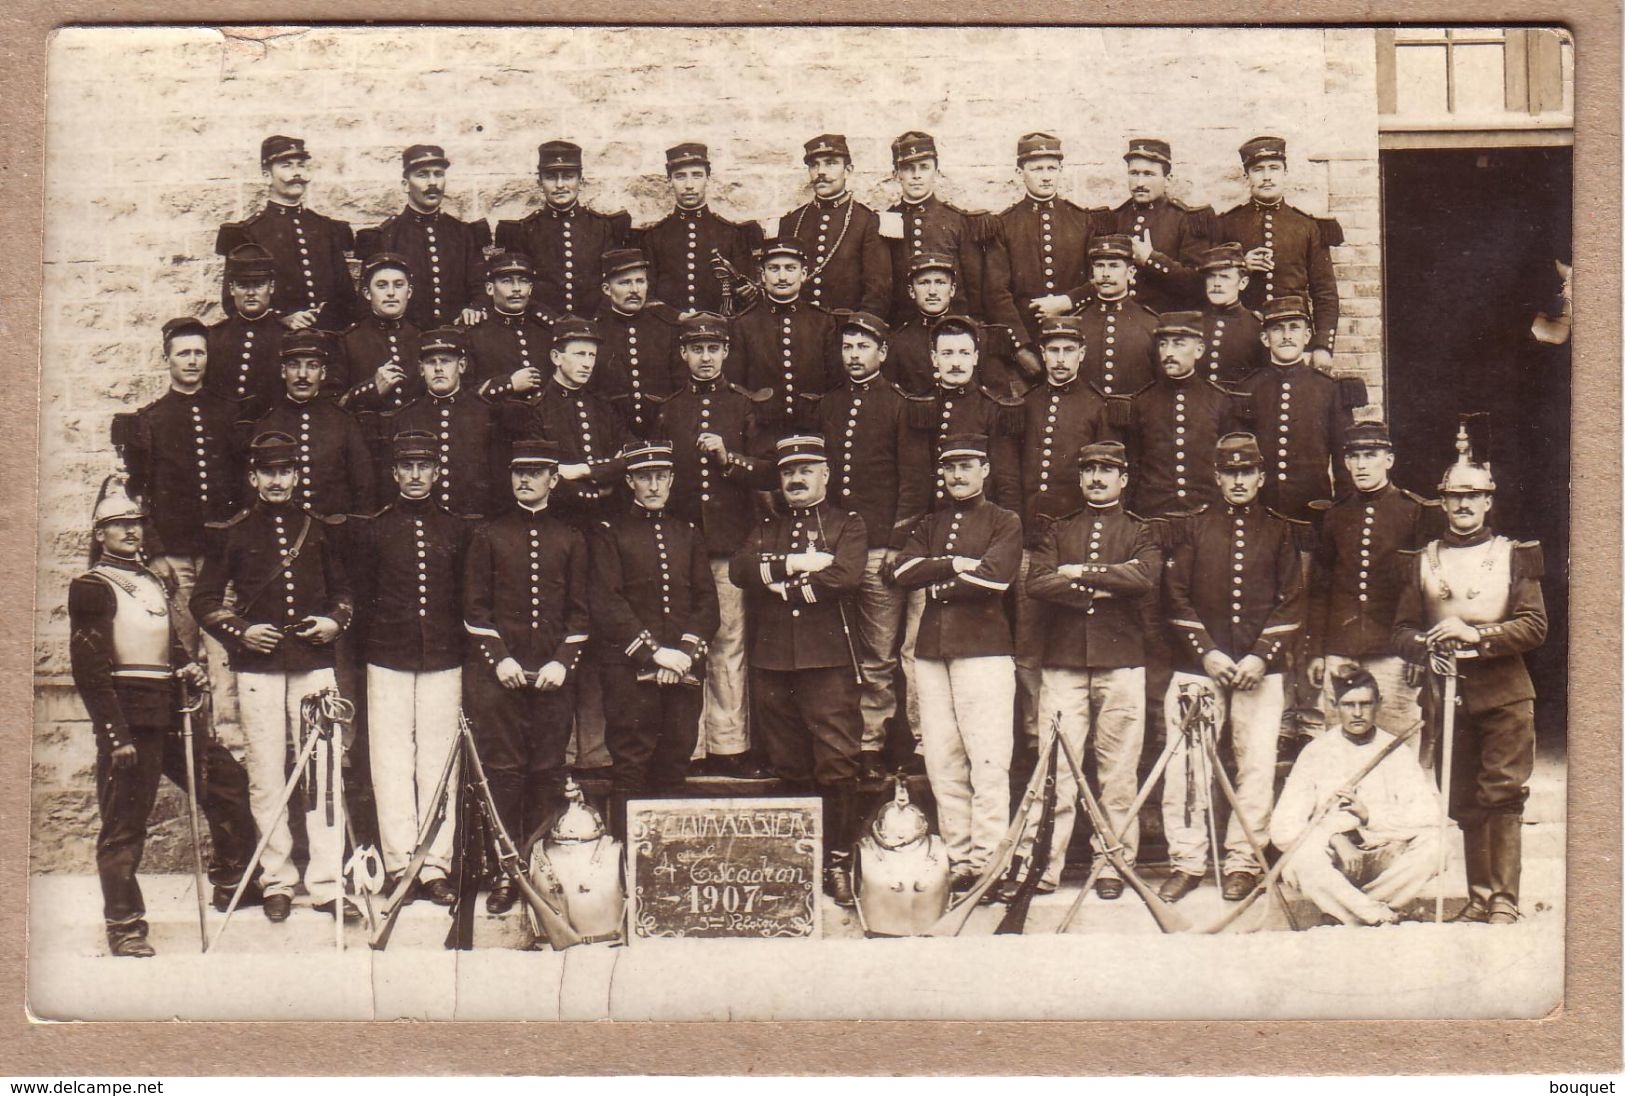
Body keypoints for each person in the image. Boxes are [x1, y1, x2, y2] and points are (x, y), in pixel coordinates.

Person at [70, 477, 256, 955]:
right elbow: (90, 669)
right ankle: (125, 925)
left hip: (173, 708)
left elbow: (167, 640)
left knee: (227, 782)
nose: (132, 532)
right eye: (119, 525)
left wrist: (187, 664)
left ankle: (231, 879)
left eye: (135, 523)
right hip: (131, 717)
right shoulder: (92, 587)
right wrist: (115, 735)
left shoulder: (150, 579)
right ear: (99, 534)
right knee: (125, 825)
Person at [191, 431, 356, 923]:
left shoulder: (317, 528)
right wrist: (241, 631)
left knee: (322, 776)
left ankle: (327, 883)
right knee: (265, 776)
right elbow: (202, 601)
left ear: (297, 475)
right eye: (268, 472)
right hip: (258, 667)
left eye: (285, 471)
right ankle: (277, 880)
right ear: (253, 477)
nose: (277, 480)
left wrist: (333, 621)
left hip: (313, 665)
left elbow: (344, 594)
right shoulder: (234, 532)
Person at [1393, 427, 1546, 924]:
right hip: (1447, 698)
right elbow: (1402, 629)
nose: (1464, 504)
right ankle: (1478, 897)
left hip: (1503, 695)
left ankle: (1504, 900)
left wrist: (1476, 635)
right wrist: (1427, 646)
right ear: (1441, 502)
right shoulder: (1423, 561)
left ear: (1488, 501)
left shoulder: (1513, 554)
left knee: (1501, 792)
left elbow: (1534, 626)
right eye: (1455, 495)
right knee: (1461, 797)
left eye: (1474, 495)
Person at [1159, 433, 1306, 903]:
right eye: (1230, 472)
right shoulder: (1192, 527)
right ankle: (1186, 861)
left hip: (1260, 670)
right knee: (1186, 766)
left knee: (1256, 765)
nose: (1239, 480)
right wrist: (1208, 652)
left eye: (1247, 472)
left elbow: (1292, 600)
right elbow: (1175, 594)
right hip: (1200, 667)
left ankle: (1244, 860)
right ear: (1217, 477)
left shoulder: (1281, 530)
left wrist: (1261, 655)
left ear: (1261, 477)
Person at [1015, 440, 1159, 899]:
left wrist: (1079, 573)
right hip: (1063, 664)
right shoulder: (1057, 531)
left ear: (1124, 478)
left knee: (1118, 772)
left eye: (1107, 470)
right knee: (1056, 767)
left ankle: (1113, 863)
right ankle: (1045, 864)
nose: (1097, 478)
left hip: (1121, 663)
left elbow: (1144, 577)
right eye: (1089, 471)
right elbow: (1037, 581)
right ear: (1079, 479)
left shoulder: (1141, 530)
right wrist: (1106, 583)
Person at [728, 435, 869, 905]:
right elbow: (740, 570)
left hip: (826, 659)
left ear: (825, 476)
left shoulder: (846, 523)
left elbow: (844, 577)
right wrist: (795, 563)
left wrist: (785, 588)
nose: (796, 479)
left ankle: (838, 862)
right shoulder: (767, 526)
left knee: (837, 762)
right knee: (789, 763)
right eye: (788, 472)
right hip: (773, 660)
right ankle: (796, 861)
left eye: (807, 470)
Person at [461, 438, 590, 914]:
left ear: (554, 480)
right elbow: (474, 610)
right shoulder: (489, 535)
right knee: (504, 774)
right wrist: (500, 659)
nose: (525, 480)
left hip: (554, 678)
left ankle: (538, 868)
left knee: (546, 771)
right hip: (502, 679)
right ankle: (505, 871)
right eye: (519, 472)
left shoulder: (570, 537)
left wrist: (562, 662)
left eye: (536, 473)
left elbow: (580, 613)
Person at [892, 434, 1022, 892]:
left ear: (985, 470)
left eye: (967, 466)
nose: (958, 475)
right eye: (950, 467)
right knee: (944, 762)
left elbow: (995, 581)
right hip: (932, 653)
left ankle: (990, 861)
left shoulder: (1004, 521)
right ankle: (959, 859)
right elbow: (900, 572)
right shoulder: (930, 523)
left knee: (987, 762)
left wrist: (937, 577)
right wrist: (955, 562)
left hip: (983, 652)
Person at [347, 431, 470, 906]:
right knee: (391, 762)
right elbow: (362, 598)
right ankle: (401, 863)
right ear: (394, 473)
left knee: (439, 762)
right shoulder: (375, 530)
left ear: (437, 472)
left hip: (443, 659)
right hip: (387, 658)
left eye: (425, 466)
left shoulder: (457, 530)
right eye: (407, 467)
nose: (416, 475)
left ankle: (435, 865)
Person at [809, 312, 930, 777]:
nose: (854, 356)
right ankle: (845, 743)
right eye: (848, 347)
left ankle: (874, 744)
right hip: (836, 550)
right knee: (844, 652)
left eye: (864, 347)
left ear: (883, 352)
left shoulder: (899, 405)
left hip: (881, 548)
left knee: (881, 654)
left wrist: (898, 543)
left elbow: (913, 481)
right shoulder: (828, 405)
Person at [656, 312, 773, 776]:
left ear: (726, 352)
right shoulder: (668, 409)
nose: (705, 358)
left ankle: (730, 746)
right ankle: (691, 746)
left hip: (728, 543)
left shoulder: (744, 406)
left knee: (729, 643)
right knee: (685, 643)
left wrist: (730, 459)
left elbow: (768, 471)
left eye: (714, 349)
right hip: (683, 546)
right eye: (696, 349)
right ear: (683, 354)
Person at [116, 318, 245, 716]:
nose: (192, 361)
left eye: (199, 353)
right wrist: (154, 552)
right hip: (174, 557)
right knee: (183, 654)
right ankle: (190, 751)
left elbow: (244, 485)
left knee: (225, 654)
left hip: (220, 557)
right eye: (184, 353)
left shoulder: (229, 413)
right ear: (167, 358)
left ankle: (231, 752)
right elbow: (137, 494)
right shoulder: (150, 419)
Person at [587, 441, 720, 809]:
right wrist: (655, 654)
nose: (655, 486)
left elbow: (707, 603)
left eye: (662, 477)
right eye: (645, 478)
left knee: (676, 761)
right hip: (630, 670)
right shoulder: (609, 532)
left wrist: (684, 655)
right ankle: (630, 859)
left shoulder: (687, 532)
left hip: (683, 669)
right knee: (631, 764)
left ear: (672, 479)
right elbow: (607, 602)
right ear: (630, 481)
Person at [1269, 668, 1441, 926]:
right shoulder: (1316, 752)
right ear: (1335, 705)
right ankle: (1379, 914)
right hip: (1333, 861)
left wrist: (1370, 817)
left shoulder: (1396, 751)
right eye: (1349, 705)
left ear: (1378, 704)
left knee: (1437, 848)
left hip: (1384, 856)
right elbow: (1282, 826)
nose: (1358, 713)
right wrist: (1334, 838)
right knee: (1301, 861)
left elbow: (1427, 814)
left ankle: (1344, 912)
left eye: (1365, 704)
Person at [1307, 420, 1444, 738]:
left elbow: (1429, 589)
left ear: (1389, 460)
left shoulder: (1415, 512)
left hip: (1394, 652)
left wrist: (1419, 649)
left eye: (1371, 454)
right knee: (1338, 745)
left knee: (1396, 745)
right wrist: (1315, 651)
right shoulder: (1334, 515)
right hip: (1341, 649)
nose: (1361, 464)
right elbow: (1320, 587)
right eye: (1354, 456)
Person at [1011, 314, 1111, 745]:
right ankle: (1036, 733)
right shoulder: (1027, 403)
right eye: (1052, 350)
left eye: (1069, 350)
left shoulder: (1098, 406)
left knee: (1078, 637)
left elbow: (1109, 476)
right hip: (1032, 544)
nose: (1060, 359)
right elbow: (1012, 473)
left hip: (1078, 547)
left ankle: (1081, 735)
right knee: (1029, 637)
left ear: (1082, 354)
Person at [1217, 135, 1341, 369]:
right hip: (1242, 339)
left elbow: (1324, 292)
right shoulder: (1226, 224)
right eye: (1258, 169)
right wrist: (1240, 266)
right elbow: (1209, 284)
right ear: (1246, 177)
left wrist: (1322, 345)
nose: (1266, 176)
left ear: (1285, 172)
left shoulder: (1307, 226)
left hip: (1292, 340)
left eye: (1274, 168)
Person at [1238, 295, 1364, 520]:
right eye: (1278, 329)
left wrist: (1343, 514)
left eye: (1294, 328)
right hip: (1260, 516)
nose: (1287, 336)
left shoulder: (1329, 389)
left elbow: (1344, 461)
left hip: (1313, 514)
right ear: (1265, 338)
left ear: (1307, 336)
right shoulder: (1248, 388)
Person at [215, 135, 356, 331]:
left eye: (301, 165)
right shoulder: (248, 233)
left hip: (327, 339)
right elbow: (232, 302)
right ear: (267, 176)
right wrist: (282, 319)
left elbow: (346, 296)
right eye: (287, 165)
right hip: (276, 340)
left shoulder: (326, 228)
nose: (297, 173)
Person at [1115, 310, 1247, 519]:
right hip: (1152, 515)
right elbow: (1133, 464)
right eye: (1163, 344)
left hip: (1207, 517)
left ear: (1199, 350)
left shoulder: (1220, 401)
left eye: (1178, 344)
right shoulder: (1142, 402)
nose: (1168, 353)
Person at [983, 132, 1094, 372]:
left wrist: (1067, 301)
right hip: (1027, 343)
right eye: (1036, 169)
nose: (1045, 177)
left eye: (1051, 168)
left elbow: (1100, 281)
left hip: (1076, 345)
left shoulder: (1083, 221)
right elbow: (997, 293)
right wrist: (1021, 349)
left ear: (1060, 169)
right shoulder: (1002, 225)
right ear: (1019, 172)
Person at [355, 143, 491, 331]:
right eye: (422, 175)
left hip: (457, 338)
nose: (432, 182)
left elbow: (481, 287)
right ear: (405, 185)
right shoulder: (385, 236)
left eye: (438, 174)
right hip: (406, 342)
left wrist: (475, 308)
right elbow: (367, 303)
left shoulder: (463, 233)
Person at [495, 140, 630, 323]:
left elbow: (613, 282)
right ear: (539, 182)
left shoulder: (603, 227)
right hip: (543, 328)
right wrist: (553, 323)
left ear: (580, 181)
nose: (560, 185)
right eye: (551, 177)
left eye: (568, 176)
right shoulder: (523, 231)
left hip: (596, 326)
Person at [249, 329, 377, 518]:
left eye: (312, 366)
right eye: (294, 365)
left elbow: (363, 486)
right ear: (283, 371)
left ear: (323, 373)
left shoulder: (344, 422)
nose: (303, 375)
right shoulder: (266, 424)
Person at [384, 328, 509, 519]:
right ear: (420, 369)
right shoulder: (405, 418)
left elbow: (500, 482)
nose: (438, 368)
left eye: (446, 361)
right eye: (430, 362)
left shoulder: (486, 413)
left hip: (476, 524)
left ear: (462, 366)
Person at [636, 142, 764, 316]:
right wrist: (676, 317)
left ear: (707, 178)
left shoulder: (732, 234)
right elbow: (646, 295)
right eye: (680, 176)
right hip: (669, 332)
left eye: (697, 175)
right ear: (669, 180)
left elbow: (746, 296)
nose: (689, 185)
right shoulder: (653, 236)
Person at [729, 237, 841, 433]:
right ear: (762, 275)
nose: (782, 277)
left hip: (814, 431)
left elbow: (835, 385)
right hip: (762, 433)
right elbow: (737, 387)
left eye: (790, 268)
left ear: (803, 273)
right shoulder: (743, 324)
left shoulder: (823, 322)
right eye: (774, 269)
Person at [1091, 137, 1213, 314]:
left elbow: (1198, 285)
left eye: (1149, 174)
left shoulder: (1188, 220)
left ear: (1168, 178)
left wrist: (1151, 259)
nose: (1140, 183)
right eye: (1134, 173)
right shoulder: (1112, 219)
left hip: (1165, 325)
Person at [779, 133, 891, 316]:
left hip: (847, 333)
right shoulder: (791, 222)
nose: (820, 171)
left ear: (848, 170)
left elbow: (877, 292)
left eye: (830, 163)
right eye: (814, 165)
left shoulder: (867, 221)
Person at [884, 131, 989, 319]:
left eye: (924, 167)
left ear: (936, 172)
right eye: (908, 168)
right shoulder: (885, 221)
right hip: (902, 327)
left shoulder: (957, 220)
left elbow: (974, 286)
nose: (916, 176)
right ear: (896, 174)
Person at [590, 247, 685, 437]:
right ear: (607, 289)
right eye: (625, 283)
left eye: (640, 281)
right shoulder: (595, 332)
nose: (635, 290)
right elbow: (593, 395)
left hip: (665, 432)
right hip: (611, 435)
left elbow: (681, 391)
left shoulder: (667, 328)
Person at [1073, 234, 1159, 398]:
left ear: (1131, 272)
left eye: (1113, 266)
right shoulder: (1077, 323)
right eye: (1099, 266)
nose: (1105, 273)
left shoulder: (1151, 324)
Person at [335, 253, 423, 412]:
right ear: (367, 293)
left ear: (409, 292)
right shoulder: (347, 341)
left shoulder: (422, 338)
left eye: (398, 285)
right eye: (381, 285)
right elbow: (332, 408)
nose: (391, 293)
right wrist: (372, 387)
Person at [205, 244, 287, 411]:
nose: (251, 293)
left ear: (271, 287)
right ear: (232, 289)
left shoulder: (287, 337)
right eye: (243, 285)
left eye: (258, 285)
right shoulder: (214, 337)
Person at [465, 252, 553, 398]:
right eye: (506, 281)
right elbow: (465, 394)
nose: (517, 288)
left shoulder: (546, 330)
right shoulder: (473, 334)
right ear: (489, 288)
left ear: (531, 288)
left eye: (523, 281)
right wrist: (509, 384)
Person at [886, 251, 966, 395]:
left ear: (952, 289)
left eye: (940, 282)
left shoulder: (975, 335)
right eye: (924, 283)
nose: (932, 291)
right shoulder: (898, 342)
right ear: (911, 291)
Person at [1195, 243, 1266, 388]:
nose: (1216, 284)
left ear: (1243, 283)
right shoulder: (1193, 324)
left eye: (1225, 277)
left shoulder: (1257, 327)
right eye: (1211, 277)